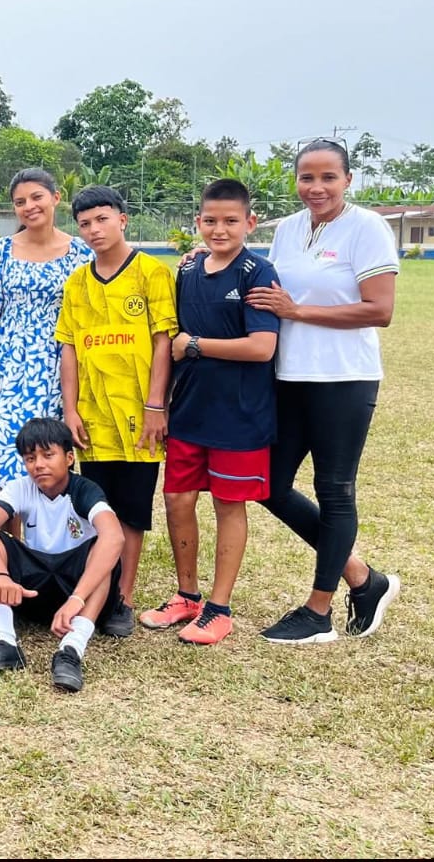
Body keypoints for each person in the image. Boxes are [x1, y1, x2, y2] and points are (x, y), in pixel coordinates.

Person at [244, 138, 402, 643]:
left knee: (334, 489)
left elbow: (380, 309)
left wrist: (298, 311)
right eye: (306, 177)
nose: (316, 187)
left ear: (348, 180)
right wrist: (212, 252)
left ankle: (318, 612)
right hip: (290, 376)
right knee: (268, 484)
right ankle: (363, 578)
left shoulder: (367, 227)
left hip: (343, 379)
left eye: (328, 177)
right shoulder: (289, 229)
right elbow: (267, 288)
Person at [140, 179, 280, 646]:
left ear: (250, 223)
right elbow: (170, 337)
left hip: (239, 416)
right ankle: (187, 596)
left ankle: (220, 609)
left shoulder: (258, 273)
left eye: (231, 221)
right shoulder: (188, 269)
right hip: (189, 411)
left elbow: (261, 348)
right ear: (198, 222)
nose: (220, 230)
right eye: (211, 221)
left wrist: (196, 345)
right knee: (177, 500)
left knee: (228, 505)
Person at [55, 185, 175, 636]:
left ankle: (122, 597)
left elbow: (163, 342)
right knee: (97, 508)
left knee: (132, 509)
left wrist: (155, 405)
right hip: (93, 418)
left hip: (140, 416)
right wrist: (70, 409)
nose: (94, 230)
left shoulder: (151, 273)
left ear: (123, 220)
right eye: (84, 223)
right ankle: (96, 593)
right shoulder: (77, 283)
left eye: (102, 219)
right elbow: (69, 349)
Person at [0, 418, 125, 693]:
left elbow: (115, 537)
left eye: (48, 455)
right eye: (30, 458)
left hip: (76, 592)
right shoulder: (21, 487)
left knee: (103, 551)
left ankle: (71, 650)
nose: (38, 464)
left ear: (69, 458)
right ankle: (4, 641)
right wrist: (0, 574)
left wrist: (77, 599)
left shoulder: (85, 490)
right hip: (33, 589)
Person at [0, 168, 93, 485]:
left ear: (56, 198)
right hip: (8, 370)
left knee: (50, 457)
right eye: (20, 202)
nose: (29, 206)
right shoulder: (1, 251)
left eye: (37, 197)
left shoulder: (82, 253)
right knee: (2, 459)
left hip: (59, 369)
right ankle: (0, 519)